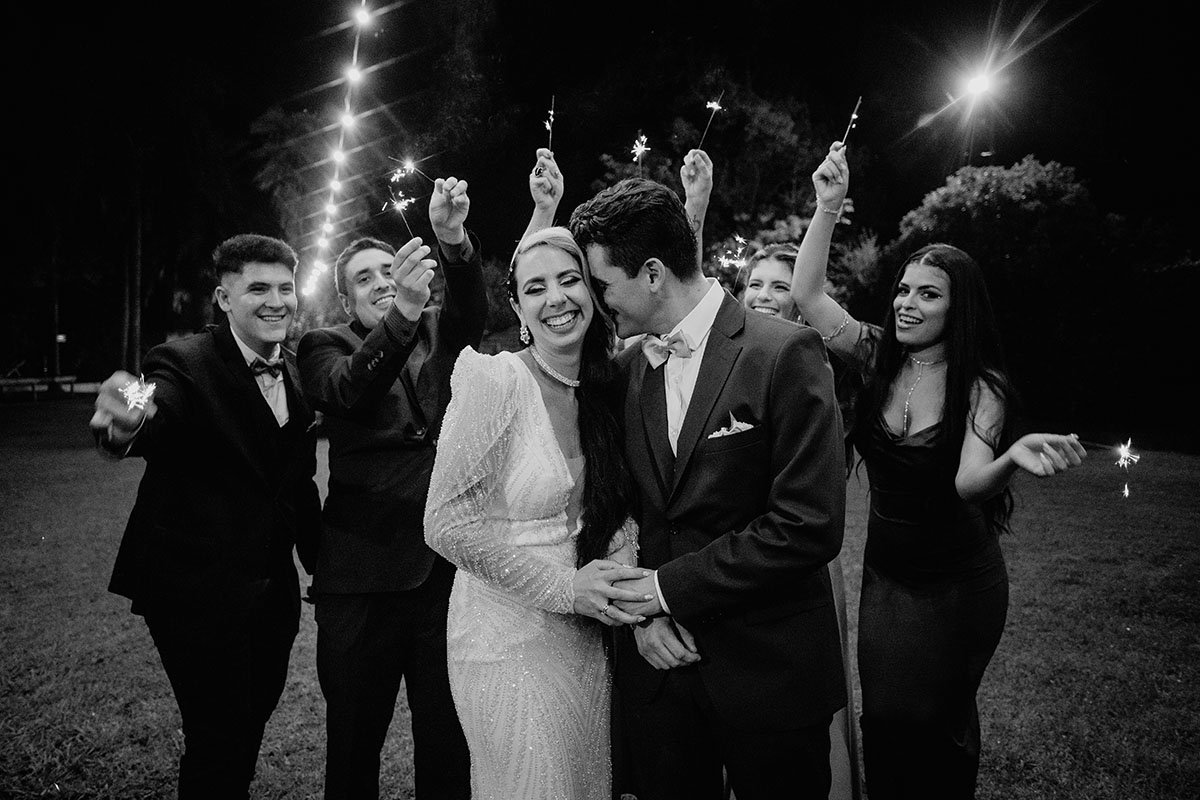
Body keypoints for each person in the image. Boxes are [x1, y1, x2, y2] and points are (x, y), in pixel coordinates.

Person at [791, 142, 1088, 799]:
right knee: (885, 719)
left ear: (958, 308)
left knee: (935, 724)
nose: (907, 303)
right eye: (903, 289)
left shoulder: (980, 386)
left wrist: (1011, 458)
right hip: (889, 579)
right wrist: (828, 206)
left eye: (928, 294)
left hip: (960, 585)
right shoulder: (875, 357)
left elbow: (967, 484)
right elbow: (807, 294)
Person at [568, 176, 849, 800]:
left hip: (769, 671)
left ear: (651, 274)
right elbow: (627, 510)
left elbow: (808, 525)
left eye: (602, 283)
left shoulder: (784, 353)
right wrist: (642, 622)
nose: (596, 300)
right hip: (663, 676)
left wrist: (666, 592)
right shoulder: (627, 370)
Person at [88, 233, 322, 799]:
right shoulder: (183, 360)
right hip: (194, 591)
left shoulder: (294, 368)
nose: (275, 302)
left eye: (285, 289)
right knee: (218, 736)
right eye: (257, 289)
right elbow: (153, 402)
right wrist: (125, 420)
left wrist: (322, 565)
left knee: (247, 724)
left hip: (272, 594)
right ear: (223, 298)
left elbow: (294, 482)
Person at [423, 225, 651, 800]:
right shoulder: (493, 379)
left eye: (570, 280)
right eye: (536, 287)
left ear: (592, 294)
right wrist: (563, 588)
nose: (557, 299)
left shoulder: (604, 387)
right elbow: (443, 525)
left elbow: (617, 512)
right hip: (503, 635)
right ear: (518, 305)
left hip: (583, 637)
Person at [296, 176, 485, 800]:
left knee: (447, 741)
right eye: (366, 279)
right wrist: (402, 311)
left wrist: (452, 240)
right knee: (354, 743)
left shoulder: (439, 333)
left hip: (444, 577)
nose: (382, 282)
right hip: (363, 580)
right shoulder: (324, 346)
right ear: (348, 302)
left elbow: (471, 308)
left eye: (391, 270)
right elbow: (349, 390)